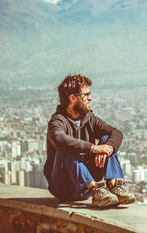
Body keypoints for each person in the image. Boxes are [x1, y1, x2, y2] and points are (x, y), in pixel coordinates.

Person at [44, 74, 135, 208]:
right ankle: (95, 190)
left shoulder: (89, 118)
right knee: (66, 147)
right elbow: (59, 139)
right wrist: (93, 148)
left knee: (106, 140)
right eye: (86, 95)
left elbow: (116, 133)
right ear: (73, 98)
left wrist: (107, 148)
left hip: (88, 184)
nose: (90, 98)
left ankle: (114, 186)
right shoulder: (57, 121)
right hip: (64, 188)